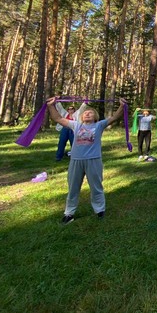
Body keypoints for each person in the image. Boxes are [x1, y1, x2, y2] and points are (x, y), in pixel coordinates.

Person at [47, 96, 127, 224]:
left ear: (95, 116)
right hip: (76, 160)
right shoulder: (75, 125)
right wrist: (51, 105)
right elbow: (57, 118)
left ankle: (100, 210)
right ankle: (69, 213)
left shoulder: (99, 125)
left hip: (93, 160)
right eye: (85, 113)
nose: (87, 113)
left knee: (96, 187)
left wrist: (122, 106)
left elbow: (114, 117)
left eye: (90, 112)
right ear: (81, 117)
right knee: (73, 188)